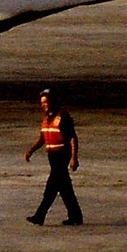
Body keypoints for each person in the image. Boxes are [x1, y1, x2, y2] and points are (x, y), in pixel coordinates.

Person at [24, 87, 83, 226]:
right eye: (42, 102)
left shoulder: (63, 117)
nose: (43, 105)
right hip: (52, 157)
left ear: (53, 101)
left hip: (62, 155)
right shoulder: (46, 119)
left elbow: (72, 138)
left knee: (51, 188)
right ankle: (76, 216)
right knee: (65, 188)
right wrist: (31, 150)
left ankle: (40, 216)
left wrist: (74, 158)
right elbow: (42, 138)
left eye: (46, 102)